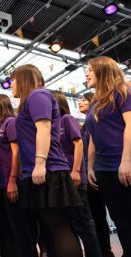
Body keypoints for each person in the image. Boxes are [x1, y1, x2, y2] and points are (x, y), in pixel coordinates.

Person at [12, 64, 82, 257]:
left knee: (58, 227)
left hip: (48, 168)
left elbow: (44, 128)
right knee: (49, 230)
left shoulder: (37, 95)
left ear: (23, 79)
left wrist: (40, 163)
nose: (11, 85)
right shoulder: (32, 99)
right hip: (39, 169)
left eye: (13, 80)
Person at [85, 56, 131, 257]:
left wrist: (126, 161)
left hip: (122, 164)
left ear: (102, 70)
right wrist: (90, 167)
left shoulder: (123, 91)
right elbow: (93, 137)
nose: (86, 74)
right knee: (119, 220)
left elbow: (130, 126)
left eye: (89, 69)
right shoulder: (96, 101)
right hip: (104, 169)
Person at [52, 91, 102, 257]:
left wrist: (75, 171)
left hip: (74, 178)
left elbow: (79, 144)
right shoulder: (51, 124)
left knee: (83, 223)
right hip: (61, 180)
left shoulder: (67, 119)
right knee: (70, 224)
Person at [0, 94, 35, 257]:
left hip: (12, 182)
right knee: (6, 228)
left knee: (18, 228)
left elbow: (17, 152)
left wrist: (13, 180)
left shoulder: (10, 123)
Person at [79, 92, 115, 257]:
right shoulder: (83, 126)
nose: (80, 102)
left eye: (84, 100)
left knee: (106, 214)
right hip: (89, 171)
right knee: (96, 215)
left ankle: (106, 250)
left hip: (100, 169)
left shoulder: (96, 120)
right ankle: (103, 250)